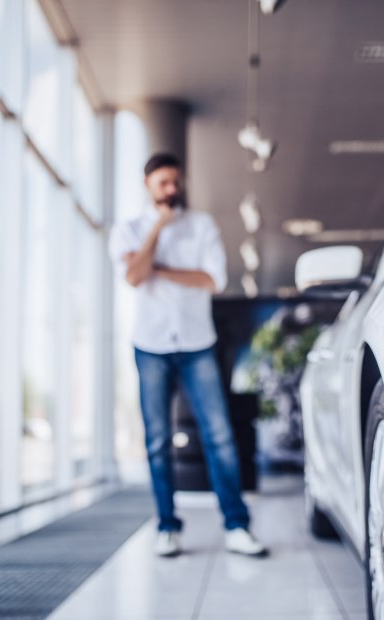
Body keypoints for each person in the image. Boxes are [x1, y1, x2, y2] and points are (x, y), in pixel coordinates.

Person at [109, 153, 267, 558]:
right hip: (151, 345)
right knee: (158, 441)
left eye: (175, 182)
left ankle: (236, 526)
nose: (171, 189)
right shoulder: (128, 229)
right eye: (163, 182)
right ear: (148, 185)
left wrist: (156, 269)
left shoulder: (202, 226)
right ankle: (167, 526)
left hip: (198, 344)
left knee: (220, 437)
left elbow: (212, 280)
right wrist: (158, 231)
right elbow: (132, 276)